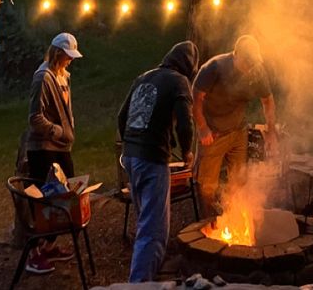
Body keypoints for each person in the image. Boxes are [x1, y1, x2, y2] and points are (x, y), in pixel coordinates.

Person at [118, 40, 199, 283]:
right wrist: (186, 152)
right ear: (189, 67)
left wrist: (132, 143)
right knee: (153, 231)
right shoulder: (179, 81)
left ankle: (148, 271)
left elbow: (122, 116)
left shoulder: (144, 77)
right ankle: (140, 284)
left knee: (145, 220)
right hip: (151, 160)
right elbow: (186, 123)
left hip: (131, 157)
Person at [192, 34, 277, 217]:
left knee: (239, 181)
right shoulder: (214, 68)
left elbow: (268, 101)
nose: (249, 68)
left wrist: (271, 132)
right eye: (246, 62)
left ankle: (235, 219)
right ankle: (207, 225)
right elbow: (196, 98)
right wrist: (202, 127)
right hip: (213, 133)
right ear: (236, 55)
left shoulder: (257, 71)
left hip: (238, 131)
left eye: (252, 63)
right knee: (207, 185)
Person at [24, 31, 82, 276]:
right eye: (67, 56)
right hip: (44, 149)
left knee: (67, 195)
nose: (70, 60)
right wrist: (58, 131)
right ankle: (33, 254)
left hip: (61, 148)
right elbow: (35, 117)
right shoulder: (43, 78)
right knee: (45, 199)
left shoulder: (63, 76)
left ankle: (50, 245)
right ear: (57, 53)